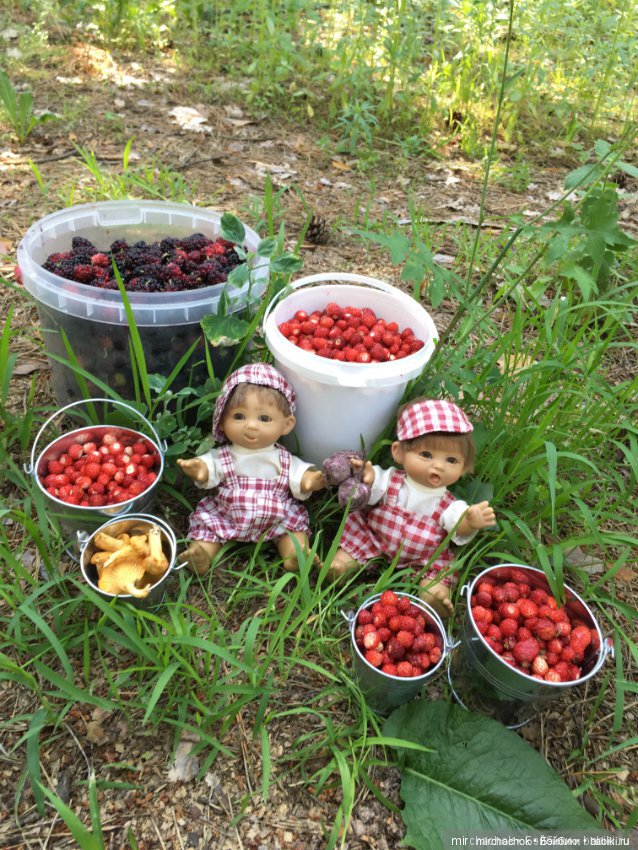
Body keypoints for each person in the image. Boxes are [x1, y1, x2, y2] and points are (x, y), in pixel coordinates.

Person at [328, 398, 495, 618]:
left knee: (435, 576)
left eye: (451, 460)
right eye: (426, 455)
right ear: (398, 452)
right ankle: (339, 568)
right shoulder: (392, 480)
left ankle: (433, 599)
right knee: (353, 548)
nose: (438, 465)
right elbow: (376, 484)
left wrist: (469, 521)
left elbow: (457, 525)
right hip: (376, 537)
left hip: (423, 557)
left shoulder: (449, 504)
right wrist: (367, 477)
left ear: (463, 467)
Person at [177, 363, 325, 575]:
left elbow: (299, 475)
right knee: (209, 526)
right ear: (222, 420)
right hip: (228, 514)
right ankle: (201, 554)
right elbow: (210, 466)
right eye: (239, 416)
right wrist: (200, 469)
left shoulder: (283, 458)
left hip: (276, 517)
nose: (251, 425)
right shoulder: (224, 455)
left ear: (286, 424)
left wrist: (309, 480)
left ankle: (295, 554)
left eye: (264, 418)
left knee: (292, 530)